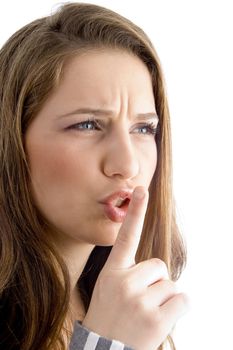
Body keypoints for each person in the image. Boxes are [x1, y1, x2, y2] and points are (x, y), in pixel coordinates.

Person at [0, 3, 188, 350]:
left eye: (144, 128)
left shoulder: (126, 312)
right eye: (87, 125)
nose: (127, 165)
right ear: (12, 143)